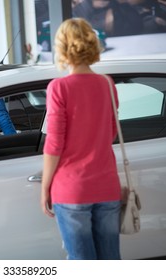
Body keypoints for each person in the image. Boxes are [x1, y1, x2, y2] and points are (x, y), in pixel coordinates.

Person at [40, 18, 122, 260]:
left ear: (62, 48)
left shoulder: (59, 88)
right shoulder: (107, 84)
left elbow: (54, 144)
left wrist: (45, 187)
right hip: (107, 187)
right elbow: (111, 134)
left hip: (72, 189)